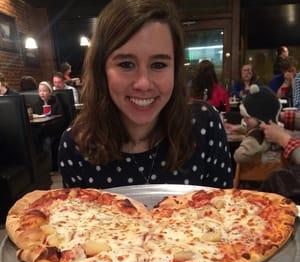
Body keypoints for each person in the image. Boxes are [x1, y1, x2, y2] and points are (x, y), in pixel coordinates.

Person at [58, 0, 233, 190]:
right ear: (101, 70)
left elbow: (225, 213)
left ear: (175, 70)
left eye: (158, 65)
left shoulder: (205, 125)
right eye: (126, 64)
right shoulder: (76, 145)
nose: (143, 83)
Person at [234, 84, 282, 164]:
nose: (244, 120)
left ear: (261, 119)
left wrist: (258, 160)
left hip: (255, 175)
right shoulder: (276, 131)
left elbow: (239, 156)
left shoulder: (256, 136)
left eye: (248, 117)